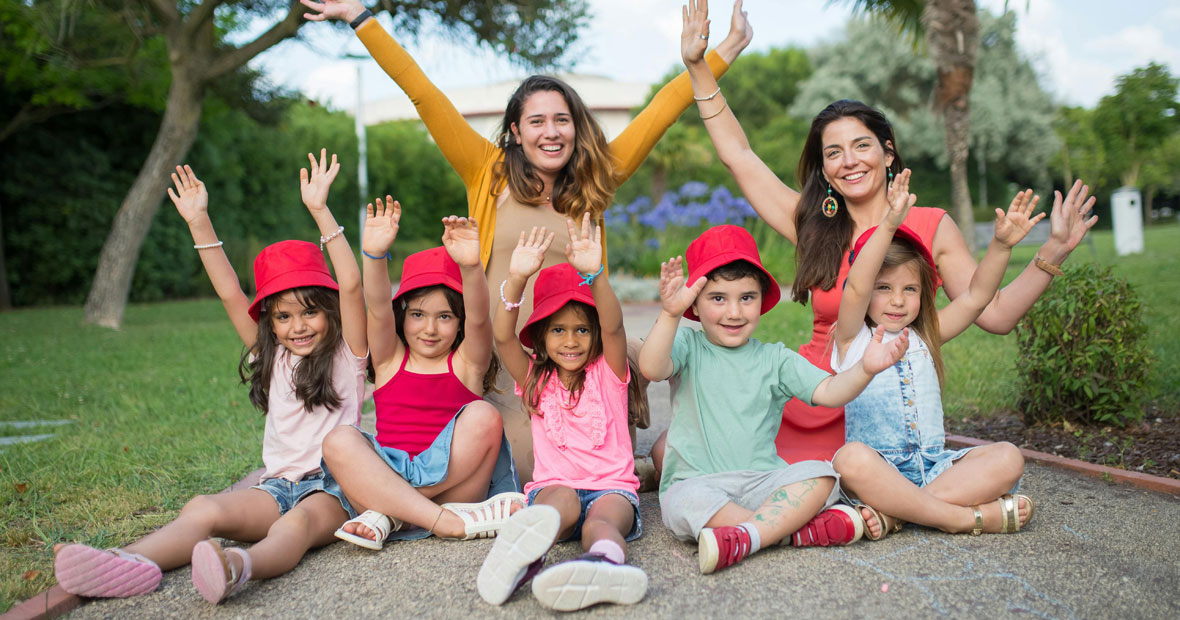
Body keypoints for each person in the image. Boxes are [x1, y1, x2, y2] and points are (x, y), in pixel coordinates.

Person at [667, 0, 1098, 538]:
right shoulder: (814, 225)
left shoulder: (931, 224)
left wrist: (1050, 252)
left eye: (862, 146)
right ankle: (948, 513)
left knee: (889, 471)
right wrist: (698, 65)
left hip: (884, 401)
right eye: (833, 153)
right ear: (823, 169)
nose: (849, 161)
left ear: (888, 153)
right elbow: (740, 156)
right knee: (674, 452)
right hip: (817, 394)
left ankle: (890, 511)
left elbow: (995, 312)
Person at [301, 0, 754, 484]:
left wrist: (719, 52)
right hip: (510, 354)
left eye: (562, 120)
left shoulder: (597, 176)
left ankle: (692, 445)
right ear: (515, 132)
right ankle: (625, 465)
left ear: (576, 127)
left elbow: (661, 111)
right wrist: (360, 18)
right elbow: (423, 94)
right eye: (536, 122)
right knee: (526, 469)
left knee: (659, 353)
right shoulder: (485, 172)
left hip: (582, 349)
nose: (551, 132)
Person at [53, 152, 368, 603]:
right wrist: (198, 221)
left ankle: (237, 566)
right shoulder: (274, 355)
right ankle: (127, 563)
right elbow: (229, 291)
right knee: (202, 508)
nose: (297, 326)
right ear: (269, 322)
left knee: (292, 527)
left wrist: (320, 210)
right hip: (277, 486)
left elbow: (352, 284)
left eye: (310, 311)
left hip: (335, 491)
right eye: (282, 316)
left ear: (330, 310)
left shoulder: (347, 353)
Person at [638, 225, 908, 574]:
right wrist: (671, 314)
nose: (734, 312)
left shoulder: (774, 359)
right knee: (681, 503)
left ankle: (745, 536)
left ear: (761, 300)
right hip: (698, 482)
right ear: (695, 303)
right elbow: (651, 366)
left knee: (823, 476)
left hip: (762, 482)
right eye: (718, 298)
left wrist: (865, 369)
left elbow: (829, 392)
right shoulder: (689, 346)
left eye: (746, 298)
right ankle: (790, 532)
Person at [831, 169, 1040, 537]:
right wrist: (890, 224)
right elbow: (855, 286)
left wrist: (1002, 246)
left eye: (910, 289)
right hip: (881, 468)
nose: (898, 300)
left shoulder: (926, 334)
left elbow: (976, 297)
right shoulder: (852, 338)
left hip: (936, 466)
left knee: (1008, 456)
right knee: (849, 460)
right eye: (884, 287)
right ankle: (963, 518)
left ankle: (897, 513)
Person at [319, 198, 524, 547]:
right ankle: (438, 521)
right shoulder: (388, 360)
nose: (429, 328)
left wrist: (471, 267)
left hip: (452, 491)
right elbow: (379, 307)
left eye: (444, 316)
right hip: (416, 489)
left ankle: (394, 513)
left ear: (458, 323)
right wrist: (374, 256)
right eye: (417, 315)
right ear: (403, 317)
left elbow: (479, 317)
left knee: (484, 416)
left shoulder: (466, 363)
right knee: (337, 441)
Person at [477, 215, 645, 611]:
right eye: (558, 330)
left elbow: (616, 327)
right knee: (558, 506)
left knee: (601, 522)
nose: (571, 341)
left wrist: (596, 274)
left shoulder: (609, 371)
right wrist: (516, 278)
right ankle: (522, 558)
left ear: (595, 335)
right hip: (557, 487)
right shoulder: (535, 378)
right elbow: (502, 336)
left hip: (612, 487)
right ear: (540, 335)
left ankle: (603, 563)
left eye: (582, 330)